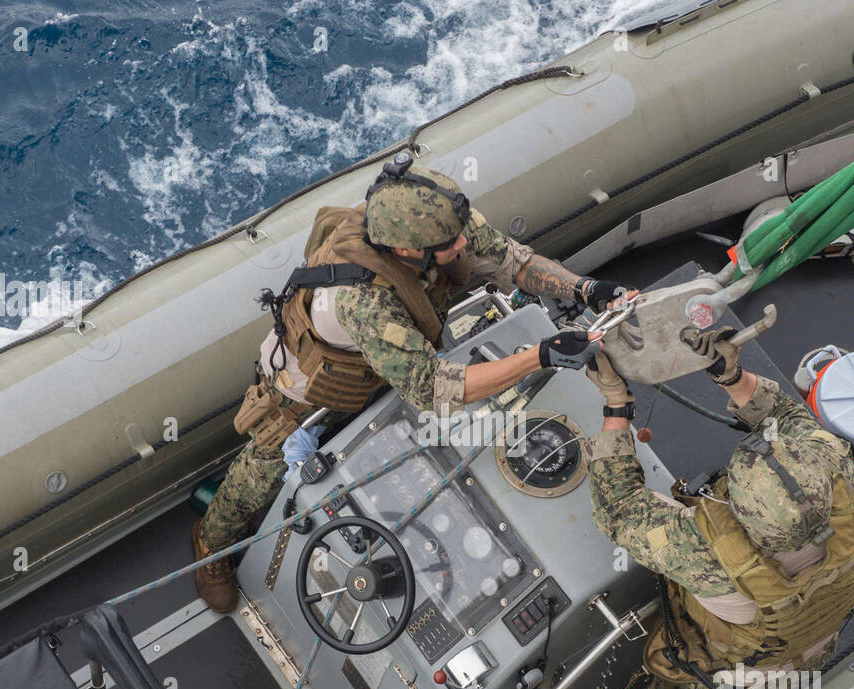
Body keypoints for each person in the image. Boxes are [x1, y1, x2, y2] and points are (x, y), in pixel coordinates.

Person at [193, 150, 637, 612]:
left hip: (384, 365)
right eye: (450, 244)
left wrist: (585, 289)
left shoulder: (432, 224)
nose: (462, 245)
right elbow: (437, 391)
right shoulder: (361, 300)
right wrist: (540, 355)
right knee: (261, 469)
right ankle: (211, 543)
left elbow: (513, 263)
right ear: (407, 251)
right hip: (307, 389)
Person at [577, 328, 854, 689]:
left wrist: (616, 405)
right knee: (798, 658)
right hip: (819, 634)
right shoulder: (834, 476)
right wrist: (730, 375)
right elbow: (786, 417)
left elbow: (619, 507)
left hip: (743, 676)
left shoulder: (712, 558)